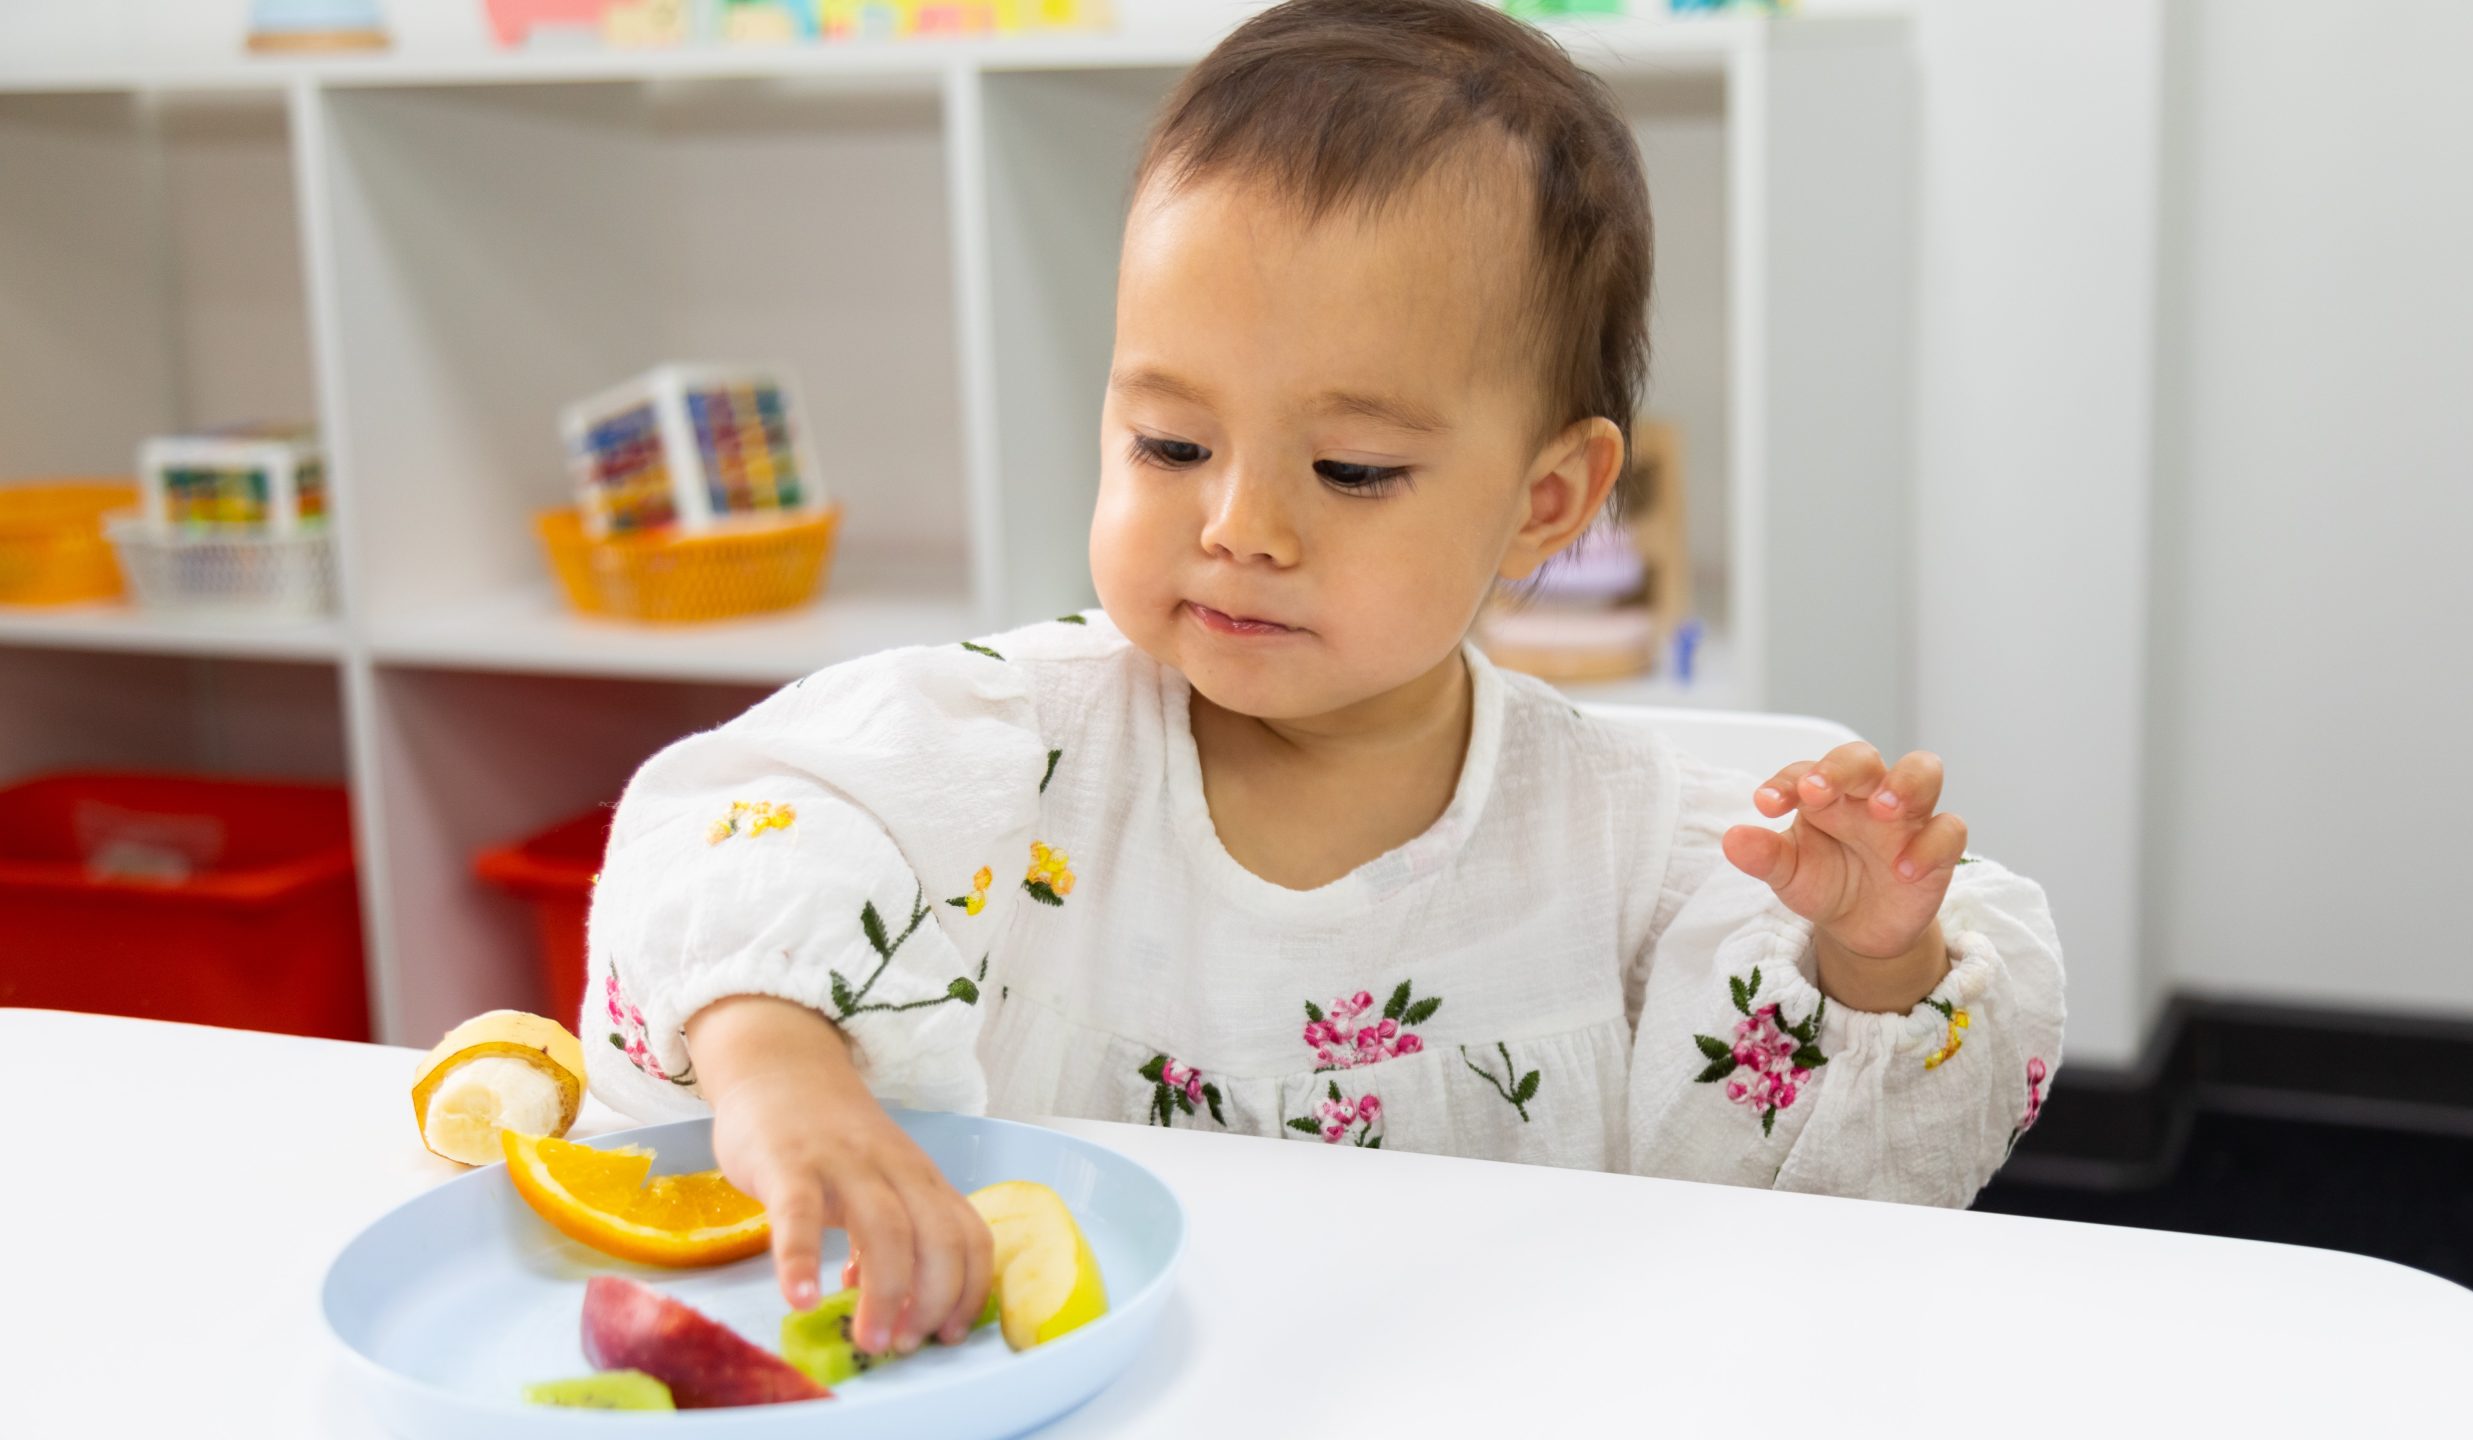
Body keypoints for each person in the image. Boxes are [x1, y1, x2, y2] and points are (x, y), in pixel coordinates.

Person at [583, 0, 2064, 1366]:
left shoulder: (1625, 852)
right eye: (1170, 444)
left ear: (1549, 500)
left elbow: (1804, 1207)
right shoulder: (1005, 750)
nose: (1237, 528)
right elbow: (739, 836)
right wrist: (785, 1068)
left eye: (1351, 469)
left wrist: (1874, 965)